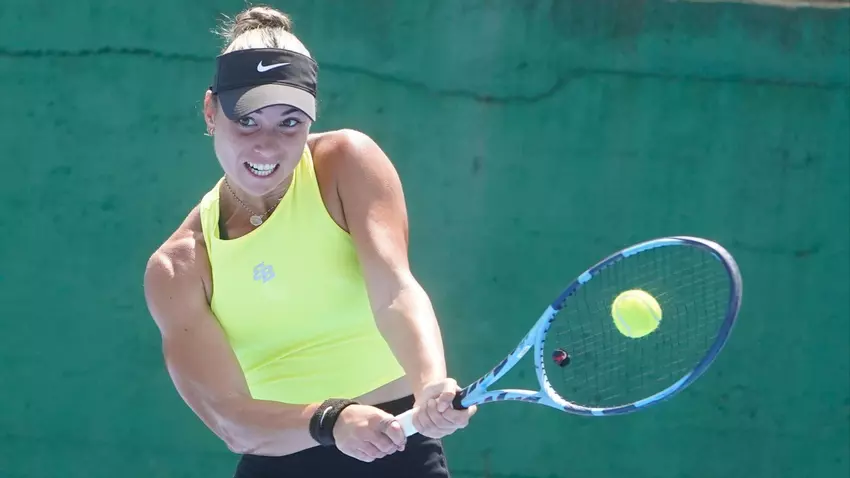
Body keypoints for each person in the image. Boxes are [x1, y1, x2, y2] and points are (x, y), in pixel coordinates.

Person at [142, 4, 476, 477]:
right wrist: (331, 421)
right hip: (282, 460)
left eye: (289, 122)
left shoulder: (346, 163)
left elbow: (395, 289)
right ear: (211, 111)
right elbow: (229, 418)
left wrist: (430, 386)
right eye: (247, 120)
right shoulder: (177, 268)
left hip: (401, 449)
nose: (266, 144)